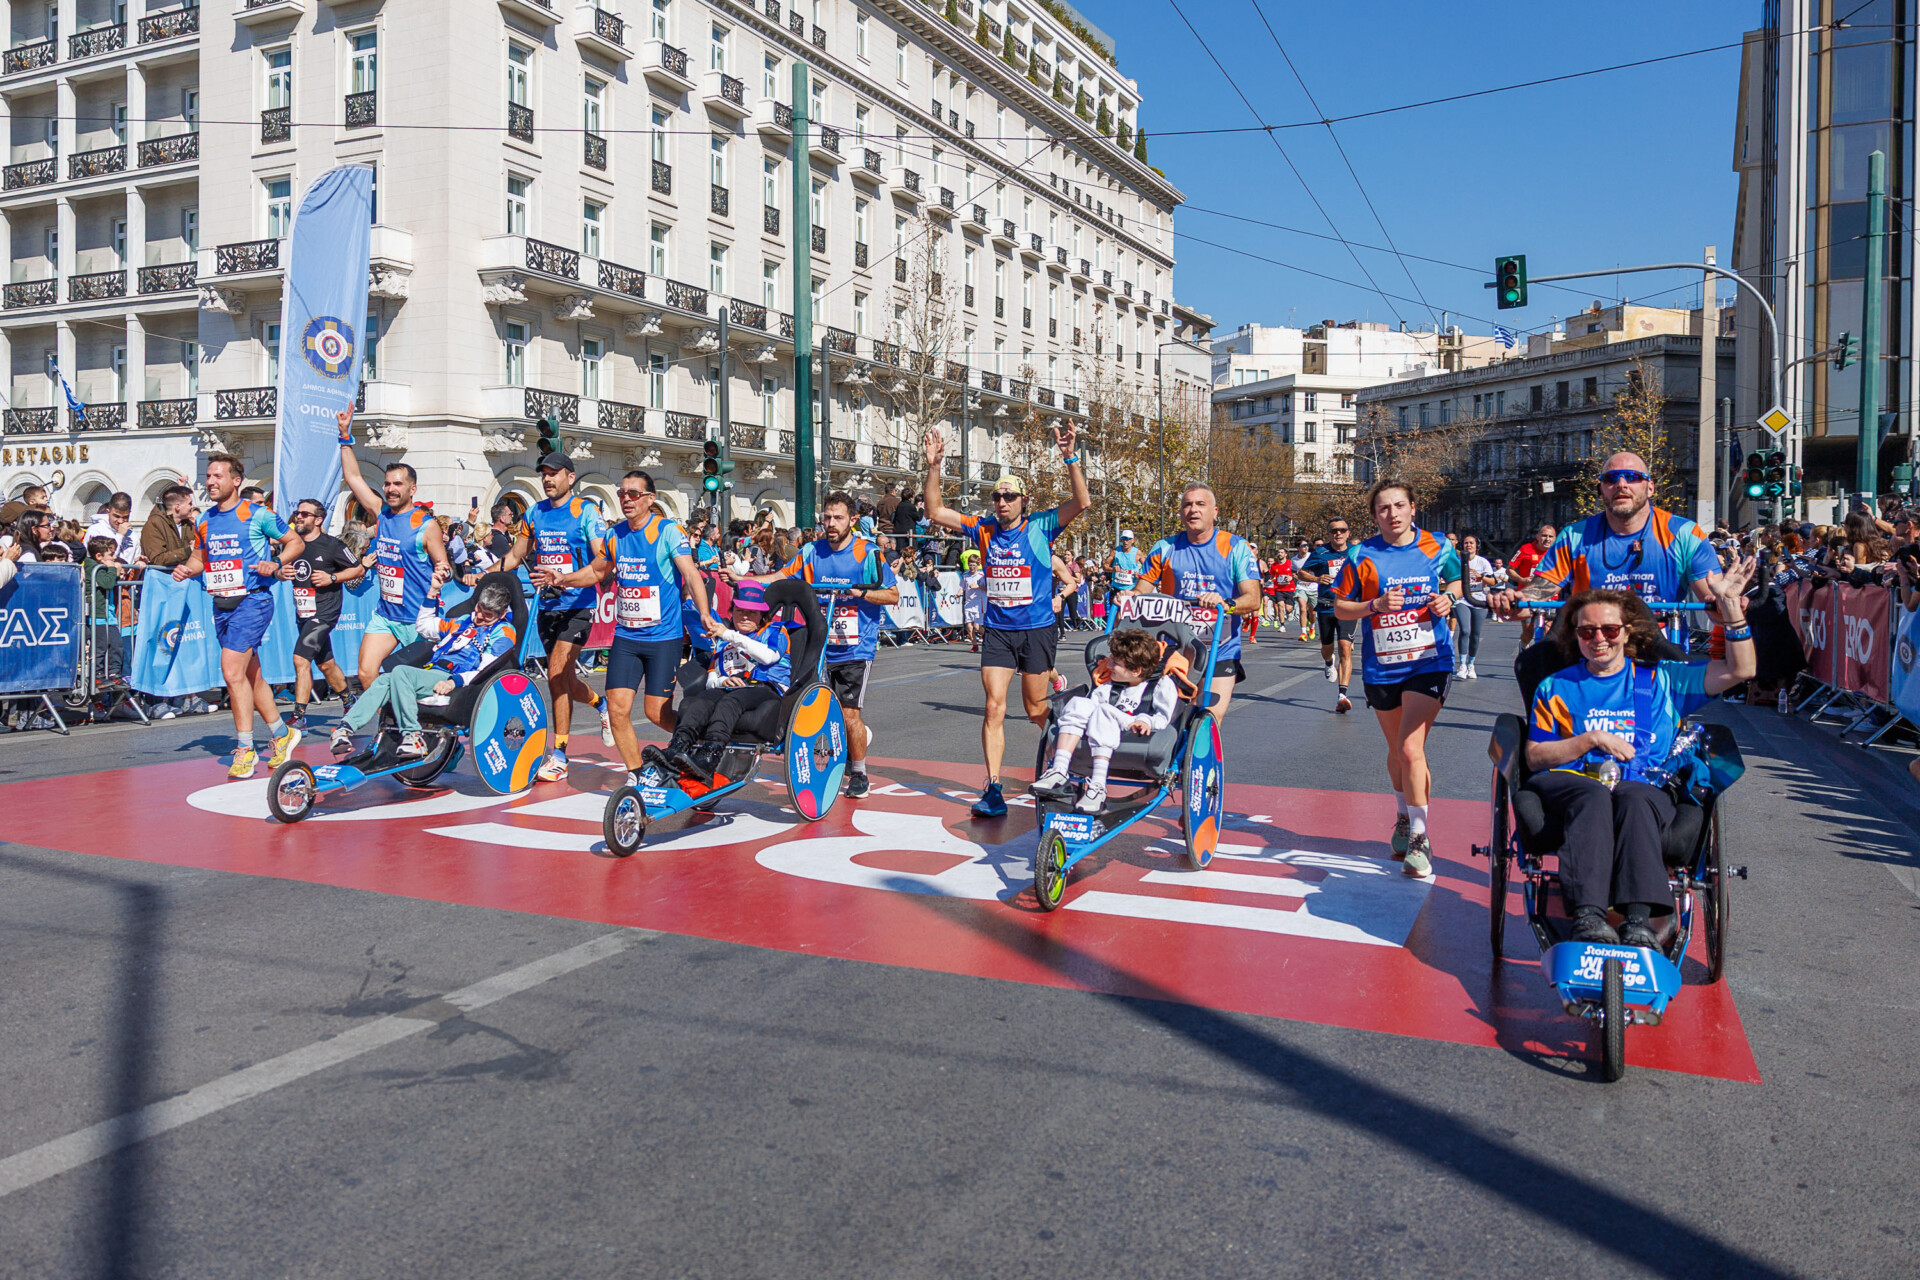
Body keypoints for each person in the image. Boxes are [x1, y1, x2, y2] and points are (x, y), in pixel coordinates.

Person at [1526, 565, 1757, 945]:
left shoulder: (1664, 678)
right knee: (1593, 794)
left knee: (1633, 797)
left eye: (1609, 630)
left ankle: (1637, 920)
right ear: (1576, 636)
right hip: (1574, 783)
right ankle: (1587, 916)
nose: (1598, 639)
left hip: (1643, 784)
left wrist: (1732, 610)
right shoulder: (1555, 686)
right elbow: (1535, 757)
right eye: (1587, 632)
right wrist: (1590, 739)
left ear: (1626, 632)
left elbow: (1742, 669)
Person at [922, 420, 1089, 818]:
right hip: (998, 632)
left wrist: (1070, 456)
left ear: (1023, 501)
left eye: (1009, 497)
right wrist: (933, 467)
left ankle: (1067, 755)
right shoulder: (983, 530)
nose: (1001, 502)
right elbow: (934, 510)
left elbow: (1081, 502)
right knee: (994, 708)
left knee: (1034, 710)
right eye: (997, 496)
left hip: (1035, 631)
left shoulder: (1042, 526)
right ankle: (994, 788)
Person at [1494, 454, 1721, 700]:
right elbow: (1539, 591)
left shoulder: (1685, 534)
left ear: (1650, 486)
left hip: (1658, 644)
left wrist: (1726, 604)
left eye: (1633, 477)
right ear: (1602, 490)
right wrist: (1514, 599)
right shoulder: (1574, 536)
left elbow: (1712, 598)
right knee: (1533, 669)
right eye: (1611, 478)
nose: (1621, 484)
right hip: (1592, 647)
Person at [1331, 479, 1461, 878]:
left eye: (1399, 505)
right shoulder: (1361, 554)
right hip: (1383, 665)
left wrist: (1449, 599)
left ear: (1413, 509)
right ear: (1375, 516)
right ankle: (1404, 815)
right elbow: (1340, 608)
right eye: (1384, 508)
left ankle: (1420, 837)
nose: (1393, 514)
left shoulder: (1439, 546)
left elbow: (1457, 582)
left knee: (1409, 747)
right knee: (1397, 752)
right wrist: (1374, 605)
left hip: (1429, 660)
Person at [736, 490, 898, 797]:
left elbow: (892, 594)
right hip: (817, 644)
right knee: (811, 703)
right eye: (827, 518)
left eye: (838, 518)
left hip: (855, 647)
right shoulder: (811, 551)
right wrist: (744, 581)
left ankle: (859, 771)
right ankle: (847, 739)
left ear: (852, 520)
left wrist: (860, 594)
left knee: (849, 712)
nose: (831, 523)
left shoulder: (867, 554)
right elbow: (781, 576)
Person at [172, 453, 306, 778]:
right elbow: (199, 558)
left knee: (231, 672)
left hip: (253, 600)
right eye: (208, 475)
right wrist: (186, 570)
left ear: (235, 481)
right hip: (221, 604)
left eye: (218, 476)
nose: (211, 481)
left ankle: (245, 749)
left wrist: (275, 562)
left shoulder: (257, 514)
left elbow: (295, 542)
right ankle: (281, 733)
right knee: (250, 676)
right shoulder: (205, 520)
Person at [590, 470, 715, 786]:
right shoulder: (614, 534)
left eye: (633, 493)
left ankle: (703, 742)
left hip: (663, 639)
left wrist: (704, 614)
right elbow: (596, 571)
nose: (626, 499)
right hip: (626, 637)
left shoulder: (667, 531)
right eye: (621, 493)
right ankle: (637, 774)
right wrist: (562, 579)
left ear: (650, 498)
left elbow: (691, 574)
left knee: (657, 713)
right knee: (617, 710)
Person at [501, 451, 613, 781]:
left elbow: (601, 561)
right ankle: (600, 704)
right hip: (546, 607)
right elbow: (516, 554)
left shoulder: (586, 511)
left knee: (554, 674)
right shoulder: (534, 512)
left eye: (554, 473)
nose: (548, 479)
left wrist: (567, 578)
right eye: (544, 474)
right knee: (561, 680)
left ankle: (560, 755)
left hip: (578, 606)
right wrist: (482, 574)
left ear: (570, 477)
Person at [330, 580, 518, 760]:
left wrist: (454, 681)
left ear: (501, 615)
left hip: (455, 679)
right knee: (384, 680)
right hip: (433, 670)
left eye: (487, 615)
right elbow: (424, 627)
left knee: (400, 672)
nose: (479, 617)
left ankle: (412, 735)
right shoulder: (462, 621)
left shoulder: (503, 632)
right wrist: (432, 593)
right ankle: (345, 729)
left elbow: (486, 669)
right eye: (478, 609)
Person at [336, 410, 453, 700]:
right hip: (386, 615)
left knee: (422, 684)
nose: (390, 489)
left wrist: (442, 573)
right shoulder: (382, 513)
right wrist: (344, 436)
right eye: (388, 484)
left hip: (418, 618)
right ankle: (393, 727)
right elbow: (352, 477)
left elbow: (444, 565)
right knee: (366, 673)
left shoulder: (425, 526)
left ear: (412, 489)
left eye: (397, 484)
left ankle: (416, 726)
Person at [1129, 483, 1261, 718]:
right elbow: (1141, 592)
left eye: (1201, 504)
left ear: (1215, 512)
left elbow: (1253, 599)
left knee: (1209, 716)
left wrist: (1225, 603)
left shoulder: (1235, 547)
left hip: (1220, 646)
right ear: (1181, 512)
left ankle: (1200, 753)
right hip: (1177, 647)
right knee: (1173, 717)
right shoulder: (1164, 547)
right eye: (1187, 505)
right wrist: (1128, 597)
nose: (1193, 510)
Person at [650, 580, 791, 785]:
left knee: (730, 702)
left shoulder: (775, 631)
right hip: (730, 689)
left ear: (762, 615)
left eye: (751, 612)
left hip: (766, 688)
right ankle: (678, 746)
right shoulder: (723, 641)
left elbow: (768, 657)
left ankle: (711, 753)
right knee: (698, 700)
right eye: (740, 610)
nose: (745, 616)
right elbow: (711, 679)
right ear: (732, 611)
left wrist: (730, 634)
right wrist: (725, 679)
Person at [1029, 627, 1181, 814]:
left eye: (1114, 663)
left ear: (1135, 671)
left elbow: (1163, 717)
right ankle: (1059, 769)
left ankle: (1098, 786)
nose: (1108, 666)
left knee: (1104, 711)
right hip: (1105, 726)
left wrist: (1146, 721)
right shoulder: (1108, 687)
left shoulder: (1161, 686)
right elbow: (1089, 711)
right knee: (1078, 703)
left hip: (1136, 730)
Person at [279, 498, 365, 727]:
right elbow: (279, 569)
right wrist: (281, 572)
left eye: (305, 514)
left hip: (325, 612)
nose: (298, 517)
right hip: (303, 611)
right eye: (297, 513)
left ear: (318, 520)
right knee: (325, 664)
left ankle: (298, 717)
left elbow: (358, 569)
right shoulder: (291, 545)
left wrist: (332, 577)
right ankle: (349, 700)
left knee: (300, 658)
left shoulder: (332, 545)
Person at [1302, 519, 1358, 712]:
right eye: (1334, 531)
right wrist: (1316, 578)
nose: (1338, 534)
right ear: (1329, 534)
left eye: (1342, 530)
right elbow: (1301, 573)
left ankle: (1343, 694)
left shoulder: (1355, 552)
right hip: (1326, 606)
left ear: (1348, 533)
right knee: (1327, 647)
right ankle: (1328, 662)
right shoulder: (1320, 553)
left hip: (1348, 606)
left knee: (1345, 647)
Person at [1454, 532, 1495, 679]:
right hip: (1462, 599)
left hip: (1479, 599)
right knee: (1465, 630)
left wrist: (1480, 576)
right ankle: (1462, 665)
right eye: (1466, 543)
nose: (1468, 545)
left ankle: (1471, 664)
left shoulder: (1483, 562)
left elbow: (1493, 582)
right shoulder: (1457, 561)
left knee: (1475, 634)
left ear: (1476, 546)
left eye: (1471, 543)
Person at [139, 484, 197, 569]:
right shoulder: (154, 524)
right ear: (177, 507)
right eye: (190, 503)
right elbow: (157, 559)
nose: (193, 506)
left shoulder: (189, 525)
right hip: (161, 579)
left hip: (186, 578)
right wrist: (189, 550)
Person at [85, 492, 137, 564]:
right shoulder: (95, 530)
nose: (120, 521)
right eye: (116, 516)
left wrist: (139, 561)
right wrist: (120, 536)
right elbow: (104, 560)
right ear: (108, 512)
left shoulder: (132, 534)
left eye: (125, 517)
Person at [1264, 546, 1297, 638]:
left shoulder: (1291, 563)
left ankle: (1290, 612)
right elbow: (1273, 576)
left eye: (1282, 552)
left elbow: (1296, 573)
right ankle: (1282, 625)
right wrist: (1269, 581)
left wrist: (1291, 577)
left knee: (1288, 609)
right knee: (1280, 606)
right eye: (1278, 552)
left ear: (1286, 554)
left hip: (1289, 588)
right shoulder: (1274, 565)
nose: (1279, 554)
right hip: (1279, 589)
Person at [1291, 539, 1317, 643]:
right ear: (1298, 548)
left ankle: (1312, 626)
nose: (1306, 547)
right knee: (1302, 609)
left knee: (1312, 612)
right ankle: (1303, 633)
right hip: (1301, 587)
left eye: (1307, 545)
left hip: (1313, 587)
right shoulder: (1294, 560)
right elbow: (1294, 571)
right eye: (1303, 546)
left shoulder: (1312, 556)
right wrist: (1294, 576)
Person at [960, 548, 985, 651]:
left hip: (979, 603)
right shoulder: (965, 576)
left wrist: (978, 587)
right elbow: (962, 587)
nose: (971, 567)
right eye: (970, 565)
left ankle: (989, 638)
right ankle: (974, 645)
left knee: (977, 627)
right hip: (969, 603)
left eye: (974, 565)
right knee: (969, 627)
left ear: (977, 566)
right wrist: (958, 593)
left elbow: (987, 589)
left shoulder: (981, 576)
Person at [1107, 530, 1140, 602]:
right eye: (1123, 539)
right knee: (1114, 611)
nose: (1125, 541)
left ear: (1133, 540)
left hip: (1131, 589)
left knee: (1129, 612)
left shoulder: (1137, 553)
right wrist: (1112, 569)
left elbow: (1147, 567)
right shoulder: (1115, 551)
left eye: (1128, 539)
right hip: (1116, 588)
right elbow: (1105, 566)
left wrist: (1140, 574)